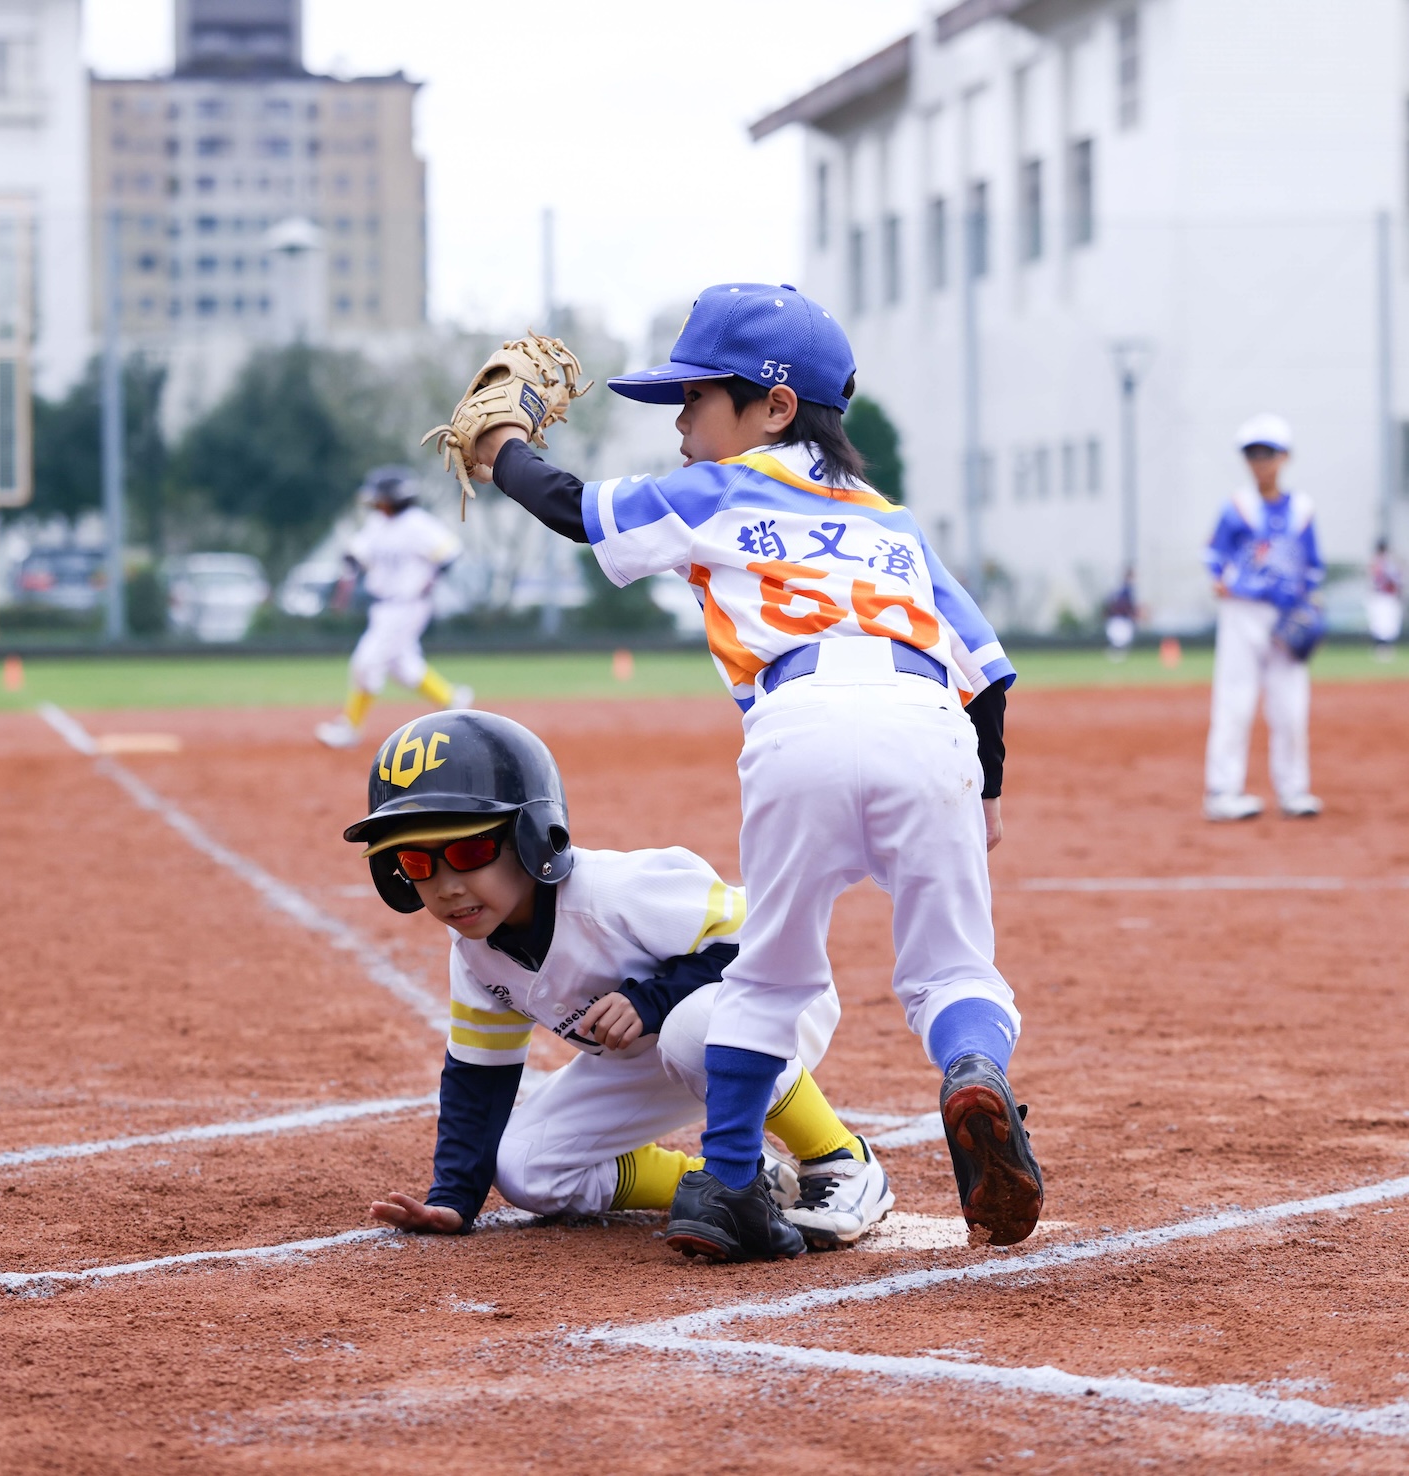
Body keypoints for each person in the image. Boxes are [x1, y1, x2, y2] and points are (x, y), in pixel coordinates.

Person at [458, 282, 1040, 1261]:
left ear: (774, 407)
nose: (680, 422)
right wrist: (983, 788)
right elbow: (986, 674)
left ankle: (729, 1181)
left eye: (695, 397)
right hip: (928, 722)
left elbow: (573, 509)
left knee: (768, 976)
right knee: (950, 969)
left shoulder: (722, 490)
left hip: (799, 720)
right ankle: (973, 1070)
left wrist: (503, 445)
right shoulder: (894, 524)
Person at [352, 711, 893, 1252]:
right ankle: (739, 1179)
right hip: (654, 1053)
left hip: (775, 1006)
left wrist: (652, 1000)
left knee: (692, 1027)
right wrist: (453, 1196)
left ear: (530, 836)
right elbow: (478, 1077)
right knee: (526, 1168)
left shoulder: (613, 893)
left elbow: (770, 939)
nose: (446, 886)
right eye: (416, 863)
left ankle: (840, 1160)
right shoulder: (475, 954)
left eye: (469, 852)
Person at [1201, 414, 1324, 822]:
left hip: (1286, 615)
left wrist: (1311, 605)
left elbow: (1313, 567)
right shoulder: (1236, 506)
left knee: (1291, 708)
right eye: (1253, 454)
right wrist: (1220, 580)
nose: (1260, 462)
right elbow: (1213, 554)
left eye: (1267, 453)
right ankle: (1222, 791)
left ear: (1284, 457)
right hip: (1242, 612)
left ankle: (1294, 790)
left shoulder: (1303, 509)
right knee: (1234, 702)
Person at [315, 467, 474, 750]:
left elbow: (450, 552)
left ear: (396, 498)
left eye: (381, 497)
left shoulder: (418, 524)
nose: (376, 502)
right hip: (382, 607)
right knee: (404, 667)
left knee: (367, 661)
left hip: (408, 606)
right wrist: (349, 565)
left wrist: (428, 581)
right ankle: (452, 699)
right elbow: (357, 553)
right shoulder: (377, 523)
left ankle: (350, 727)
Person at [1365, 538, 1404, 661]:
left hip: (1386, 595)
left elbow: (1396, 580)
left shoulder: (1385, 563)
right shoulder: (1382, 562)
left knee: (1386, 623)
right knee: (1381, 623)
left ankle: (1384, 647)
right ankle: (1382, 647)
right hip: (1382, 596)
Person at [1103, 568, 1138, 660]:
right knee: (1120, 637)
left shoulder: (1126, 589)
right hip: (1120, 618)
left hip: (1121, 618)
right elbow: (1123, 604)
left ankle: (1118, 653)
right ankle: (1116, 653)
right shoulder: (1125, 589)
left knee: (1123, 637)